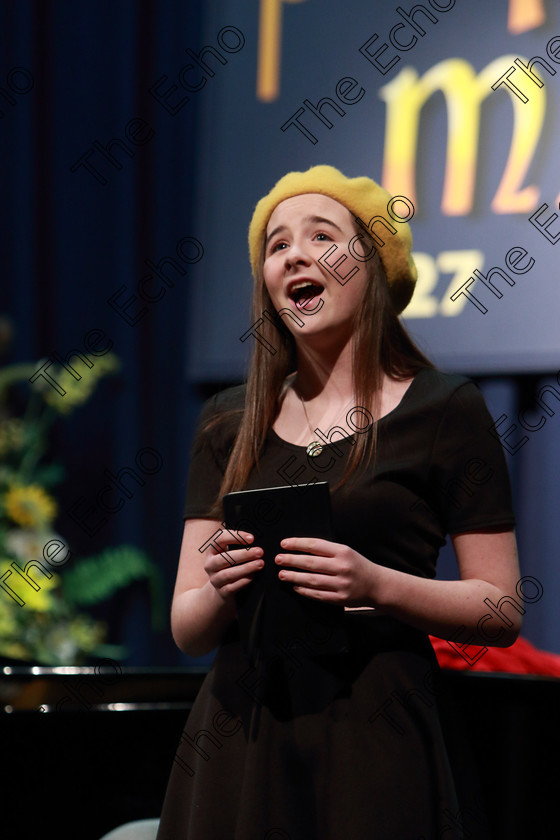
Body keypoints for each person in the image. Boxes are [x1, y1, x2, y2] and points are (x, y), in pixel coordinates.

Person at [156, 165, 520, 839]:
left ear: (376, 264)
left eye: (321, 236)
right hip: (241, 734)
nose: (294, 253)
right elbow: (186, 625)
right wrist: (219, 587)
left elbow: (500, 607)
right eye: (276, 245)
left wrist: (376, 585)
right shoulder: (227, 424)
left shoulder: (445, 409)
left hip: (374, 732)